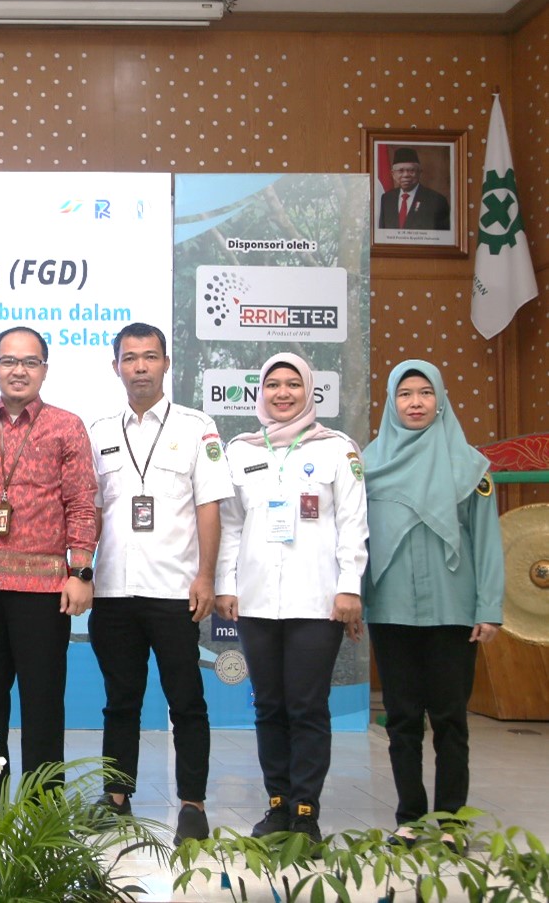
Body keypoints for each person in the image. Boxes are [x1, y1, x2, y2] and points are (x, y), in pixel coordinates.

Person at [87, 322, 233, 846]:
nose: (141, 367)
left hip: (175, 590)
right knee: (119, 701)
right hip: (114, 591)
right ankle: (116, 798)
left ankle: (192, 804)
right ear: (116, 367)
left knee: (186, 701)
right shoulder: (99, 431)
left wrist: (207, 576)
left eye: (150, 357)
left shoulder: (196, 427)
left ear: (166, 363)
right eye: (130, 358)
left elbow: (209, 506)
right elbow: (88, 511)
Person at [214, 352, 368, 842]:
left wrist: (349, 586)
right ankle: (278, 805)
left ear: (309, 391)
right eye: (273, 384)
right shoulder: (240, 451)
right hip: (256, 600)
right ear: (261, 392)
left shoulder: (337, 449)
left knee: (307, 706)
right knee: (269, 706)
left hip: (317, 601)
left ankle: (306, 810)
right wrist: (225, 584)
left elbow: (353, 524)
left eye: (293, 384)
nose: (283, 393)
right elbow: (230, 526)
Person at [0, 326, 96, 806]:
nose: (19, 370)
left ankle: (42, 808)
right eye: (9, 361)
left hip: (44, 588)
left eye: (30, 362)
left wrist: (80, 572)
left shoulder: (66, 426)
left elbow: (81, 503)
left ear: (44, 370)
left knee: (42, 701)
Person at [363, 360, 503, 847]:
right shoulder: (369, 464)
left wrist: (489, 608)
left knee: (449, 720)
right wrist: (355, 599)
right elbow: (357, 541)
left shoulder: (471, 466)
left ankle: (452, 822)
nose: (416, 402)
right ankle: (409, 817)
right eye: (405, 394)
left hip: (452, 610)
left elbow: (487, 542)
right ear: (391, 402)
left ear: (440, 399)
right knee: (402, 719)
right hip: (391, 609)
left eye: (425, 392)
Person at [377, 147, 451, 230]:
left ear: (419, 172)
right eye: (401, 171)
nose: (406, 175)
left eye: (411, 170)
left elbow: (443, 235)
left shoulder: (437, 201)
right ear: (393, 174)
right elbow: (382, 232)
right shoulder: (386, 199)